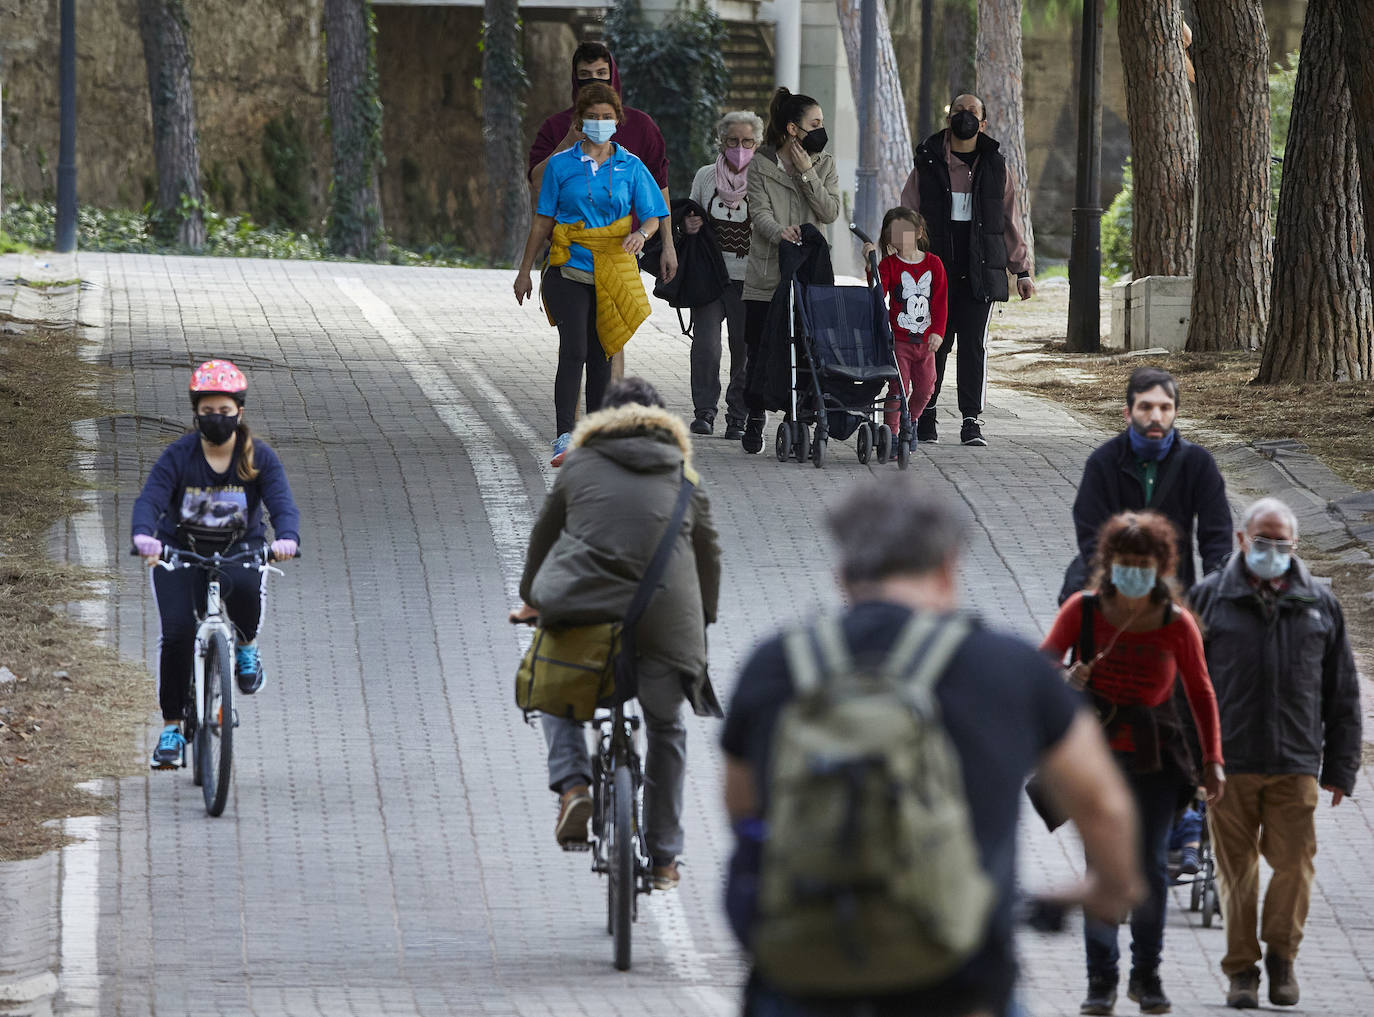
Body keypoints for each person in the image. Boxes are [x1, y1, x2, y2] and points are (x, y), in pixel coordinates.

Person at [722, 477, 1145, 1017]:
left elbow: (742, 808)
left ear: (844, 572)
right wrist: (1107, 889)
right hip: (958, 980)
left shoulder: (775, 665)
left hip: (804, 974)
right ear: (949, 565)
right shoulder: (1009, 667)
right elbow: (1102, 805)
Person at [509, 377, 721, 890]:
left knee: (553, 689)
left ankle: (575, 786)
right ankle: (666, 856)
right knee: (667, 730)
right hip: (666, 627)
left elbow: (543, 539)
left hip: (585, 614)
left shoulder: (579, 466)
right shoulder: (685, 477)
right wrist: (702, 620)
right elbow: (709, 558)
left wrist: (532, 599)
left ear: (603, 420)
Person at [1041, 510, 1226, 1016]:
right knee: (1102, 869)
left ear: (1161, 566)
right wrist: (1067, 678)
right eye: (1125, 563)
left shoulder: (1176, 622)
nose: (1134, 572)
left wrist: (1213, 760)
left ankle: (1147, 974)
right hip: (1095, 760)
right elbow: (1039, 666)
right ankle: (1100, 980)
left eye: (1143, 564)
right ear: (1109, 564)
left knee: (1147, 870)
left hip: (1155, 760)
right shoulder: (1082, 611)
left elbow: (1201, 691)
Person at [1189, 497, 1362, 1010]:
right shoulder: (1209, 599)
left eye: (1282, 544)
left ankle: (1282, 956)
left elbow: (1343, 691)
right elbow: (1183, 687)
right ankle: (1242, 971)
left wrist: (1341, 769)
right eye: (1263, 541)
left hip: (1296, 761)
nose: (1272, 551)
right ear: (1243, 540)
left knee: (1295, 866)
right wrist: (1193, 759)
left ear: (1296, 546)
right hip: (1229, 761)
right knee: (1234, 871)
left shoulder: (1319, 604)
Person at [130, 360, 301, 769]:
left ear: (239, 412)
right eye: (207, 412)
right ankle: (172, 726)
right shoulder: (179, 456)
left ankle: (245, 646)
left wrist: (287, 539)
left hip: (239, 548)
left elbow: (282, 503)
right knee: (176, 635)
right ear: (196, 412)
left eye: (224, 412)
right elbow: (151, 498)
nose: (216, 419)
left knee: (244, 589)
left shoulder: (259, 457)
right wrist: (144, 537)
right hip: (180, 551)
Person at [513, 83, 669, 467]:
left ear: (618, 120)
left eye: (607, 117)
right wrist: (524, 271)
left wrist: (641, 234)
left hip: (612, 269)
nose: (600, 123)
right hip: (568, 268)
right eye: (592, 117)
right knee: (575, 349)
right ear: (580, 121)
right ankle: (565, 435)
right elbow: (543, 219)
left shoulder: (631, 165)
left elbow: (654, 212)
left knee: (602, 353)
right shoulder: (561, 165)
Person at [899, 93, 1034, 447]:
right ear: (949, 119)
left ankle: (971, 420)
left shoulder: (996, 167)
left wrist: (1022, 271)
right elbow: (907, 213)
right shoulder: (927, 163)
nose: (965, 117)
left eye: (972, 112)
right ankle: (924, 415)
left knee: (973, 346)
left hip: (981, 270)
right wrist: (900, 258)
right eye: (959, 111)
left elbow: (1010, 222)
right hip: (932, 273)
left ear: (983, 123)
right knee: (933, 345)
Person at [1067, 366, 1233, 599]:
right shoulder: (1103, 461)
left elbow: (1217, 537)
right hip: (1113, 591)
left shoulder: (1198, 463)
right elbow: (1090, 532)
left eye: (1165, 408)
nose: (1156, 417)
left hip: (1174, 593)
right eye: (1145, 407)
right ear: (1128, 413)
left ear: (1175, 412)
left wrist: (1215, 591)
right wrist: (1110, 582)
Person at [739, 87, 840, 454]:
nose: (820, 129)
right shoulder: (761, 163)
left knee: (807, 347)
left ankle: (798, 413)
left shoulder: (823, 163)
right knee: (759, 347)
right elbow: (759, 212)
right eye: (814, 123)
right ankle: (754, 414)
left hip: (810, 272)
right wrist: (779, 232)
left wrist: (807, 172)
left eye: (822, 123)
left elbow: (829, 212)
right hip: (768, 272)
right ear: (793, 129)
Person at [528, 41, 677, 285]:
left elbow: (660, 189)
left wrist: (668, 245)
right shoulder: (555, 127)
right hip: (569, 254)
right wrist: (568, 140)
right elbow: (537, 183)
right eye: (585, 75)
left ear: (613, 77)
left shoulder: (641, 126)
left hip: (623, 251)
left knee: (615, 321)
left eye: (601, 74)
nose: (594, 82)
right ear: (575, 80)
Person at [684, 110, 764, 439]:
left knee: (744, 350)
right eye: (733, 140)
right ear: (721, 142)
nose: (740, 147)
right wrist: (687, 225)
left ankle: (738, 415)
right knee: (706, 346)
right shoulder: (706, 176)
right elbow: (688, 213)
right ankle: (704, 411)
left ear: (758, 144)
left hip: (752, 278)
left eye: (747, 141)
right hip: (710, 277)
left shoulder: (765, 178)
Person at [861, 206, 947, 451]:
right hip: (899, 340)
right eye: (893, 234)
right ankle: (892, 433)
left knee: (927, 387)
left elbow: (940, 302)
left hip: (926, 340)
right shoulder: (890, 265)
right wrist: (871, 268)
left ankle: (911, 421)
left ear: (919, 232)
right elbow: (878, 295)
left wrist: (938, 332)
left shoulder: (934, 264)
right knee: (899, 387)